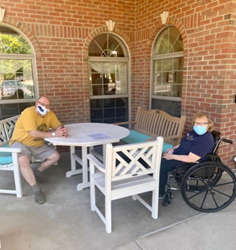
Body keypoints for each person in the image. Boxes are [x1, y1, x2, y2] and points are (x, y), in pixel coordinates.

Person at [9, 96, 68, 204]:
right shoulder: (29, 112)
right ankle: (36, 189)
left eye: (47, 105)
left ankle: (36, 173)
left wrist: (61, 129)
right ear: (37, 104)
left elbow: (57, 124)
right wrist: (55, 134)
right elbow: (33, 133)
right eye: (42, 104)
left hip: (37, 144)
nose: (45, 107)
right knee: (23, 160)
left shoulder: (49, 114)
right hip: (21, 143)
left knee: (55, 156)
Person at [159, 112, 215, 198]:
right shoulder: (194, 133)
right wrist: (173, 149)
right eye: (197, 123)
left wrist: (171, 156)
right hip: (179, 154)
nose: (199, 126)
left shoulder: (204, 139)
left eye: (202, 123)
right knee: (156, 157)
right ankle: (154, 182)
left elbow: (191, 158)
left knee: (161, 165)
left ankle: (160, 192)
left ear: (209, 124)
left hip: (188, 162)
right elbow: (185, 143)